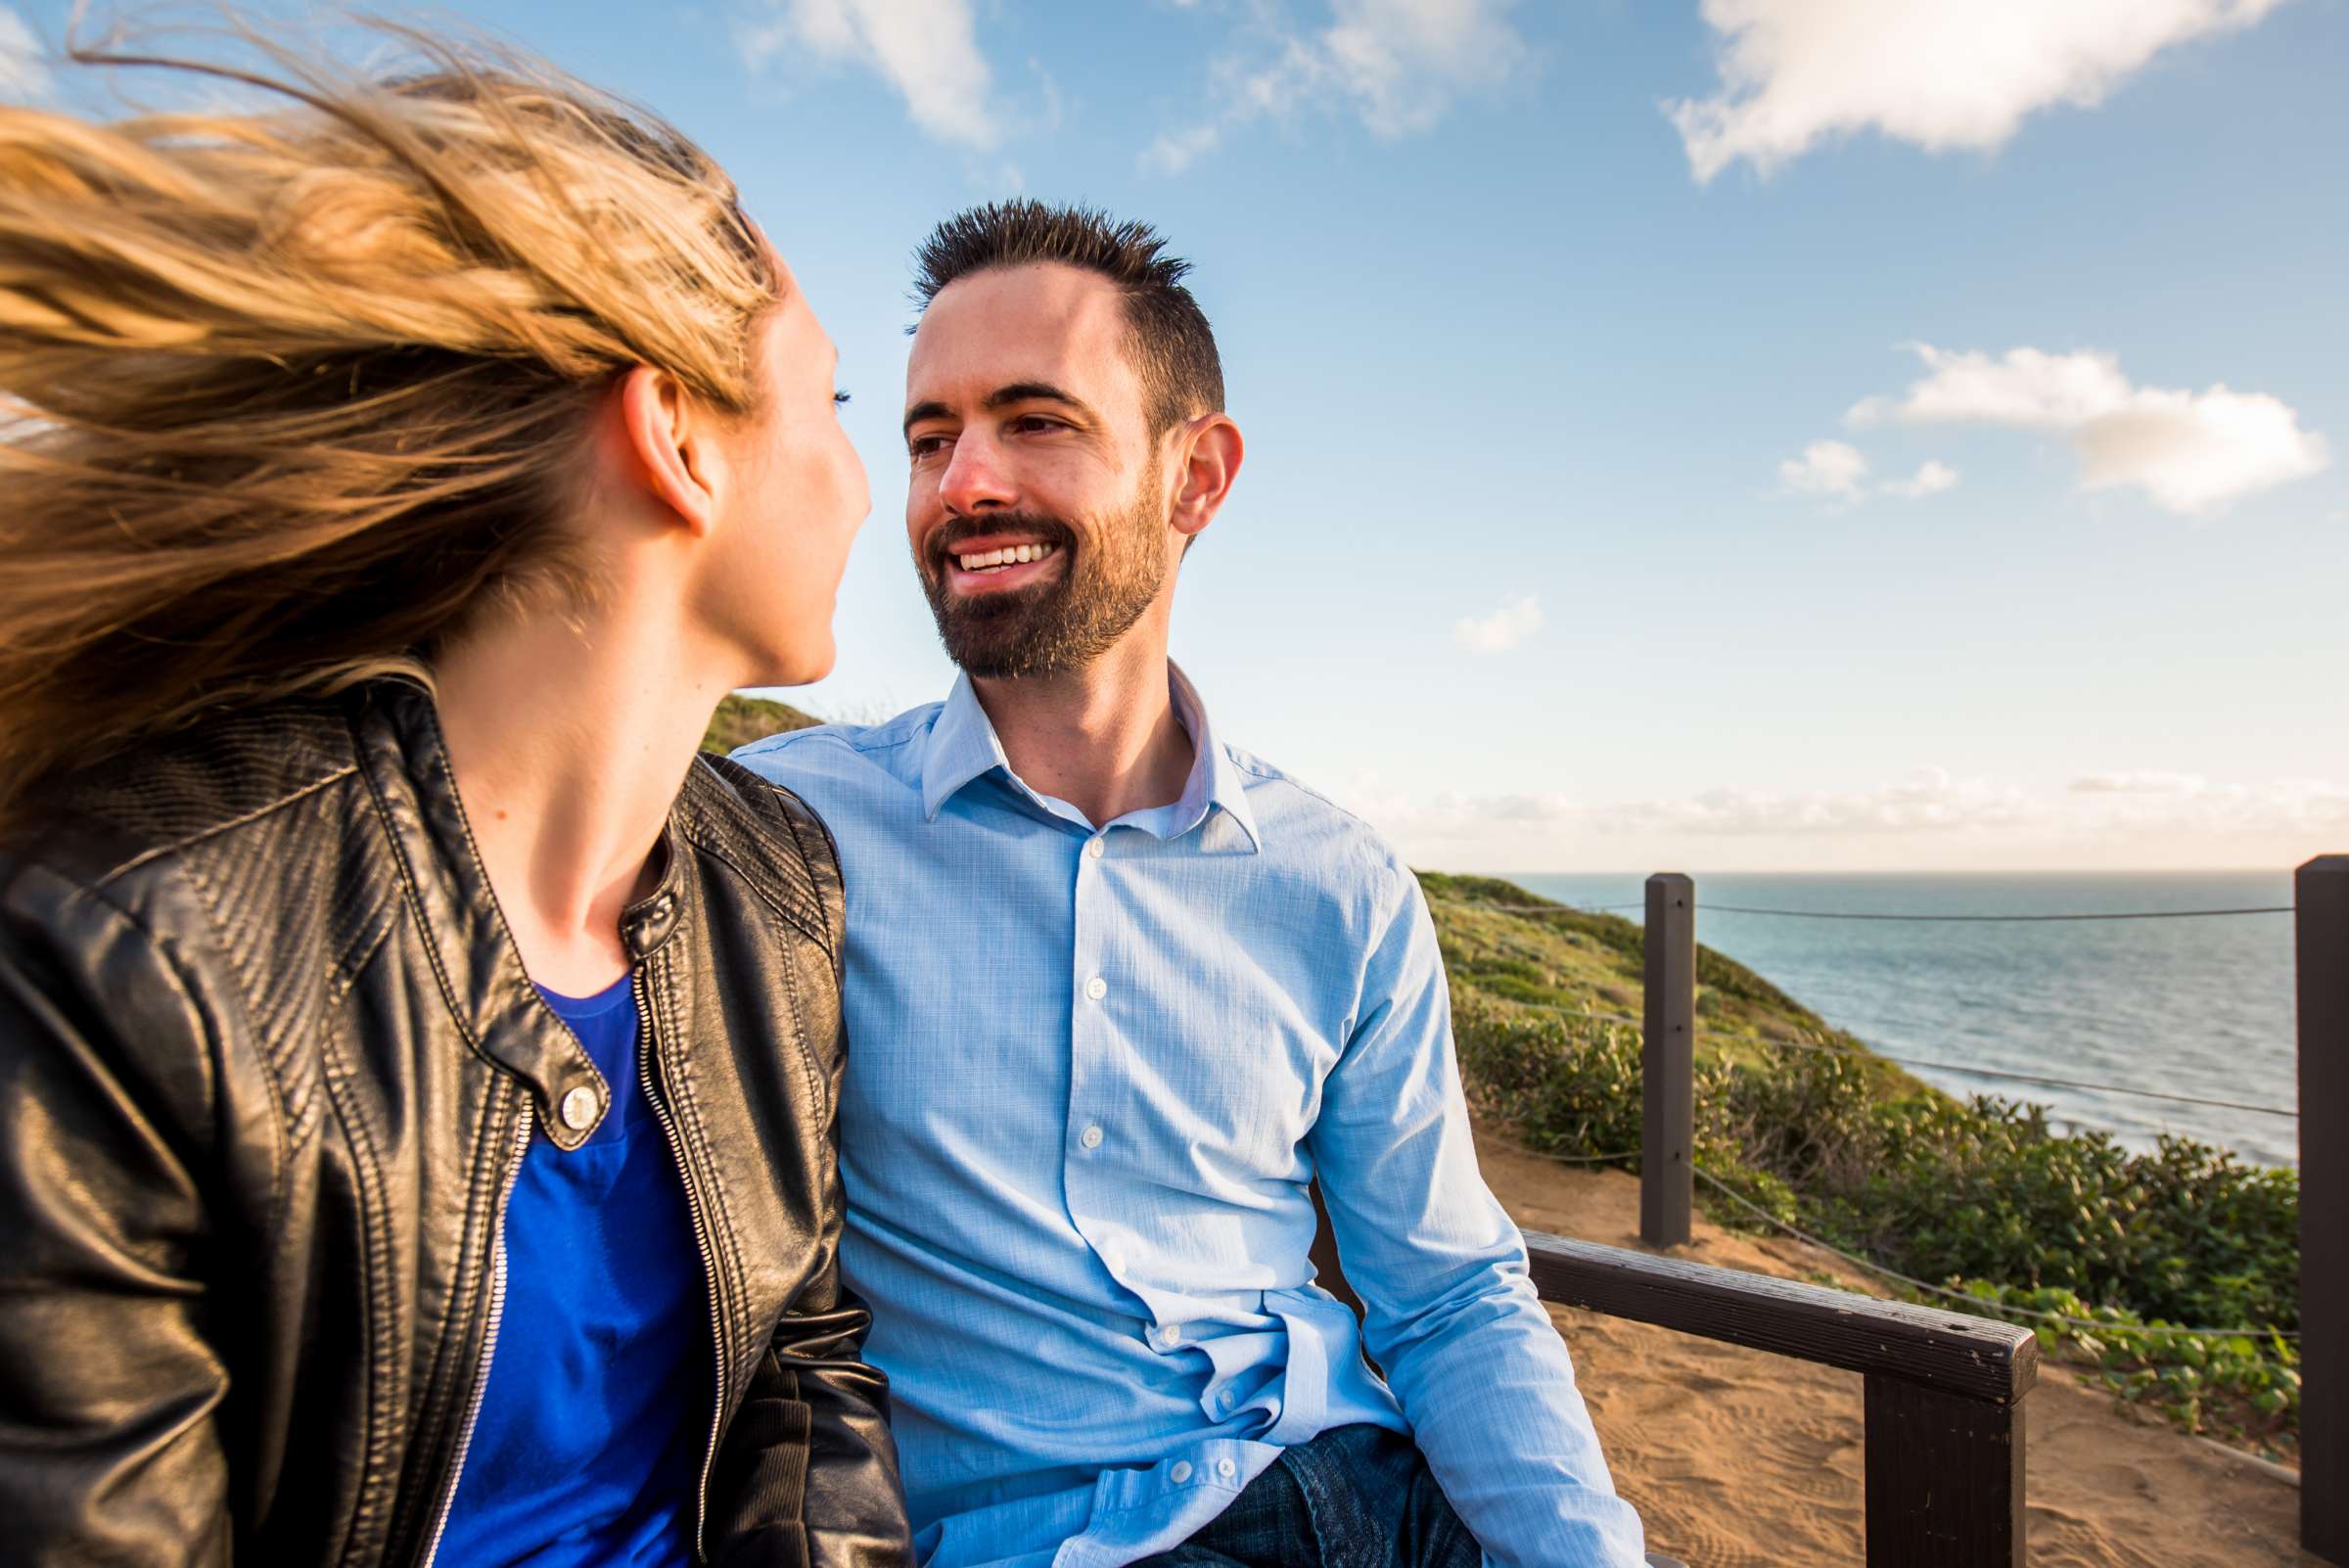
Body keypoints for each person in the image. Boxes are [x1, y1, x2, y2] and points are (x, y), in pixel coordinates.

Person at [0, 24, 911, 1567]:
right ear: (678, 437)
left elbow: (802, 1365)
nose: (864, 476)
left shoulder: (783, 889)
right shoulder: (134, 951)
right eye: (830, 398)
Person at [733, 202, 1647, 1567]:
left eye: (1035, 420)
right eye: (929, 436)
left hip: (1369, 1489)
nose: (961, 482)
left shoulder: (1339, 883)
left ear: (1195, 478)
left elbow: (1449, 1294)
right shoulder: (789, 834)